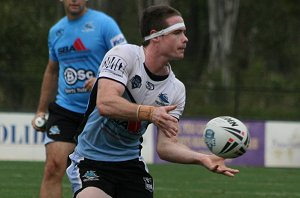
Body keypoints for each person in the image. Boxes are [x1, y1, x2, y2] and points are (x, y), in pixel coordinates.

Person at [67, 4, 239, 198]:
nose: (185, 39)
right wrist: (150, 112)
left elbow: (166, 147)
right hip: (91, 160)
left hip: (130, 164)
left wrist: (202, 158)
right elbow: (106, 103)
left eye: (185, 33)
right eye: (177, 33)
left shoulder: (176, 89)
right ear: (156, 35)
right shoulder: (123, 55)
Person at [31, 0, 127, 197]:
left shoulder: (105, 24)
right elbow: (51, 71)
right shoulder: (56, 31)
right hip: (65, 110)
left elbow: (127, 58)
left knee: (102, 175)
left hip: (99, 112)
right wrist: (41, 109)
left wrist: (102, 79)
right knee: (52, 168)